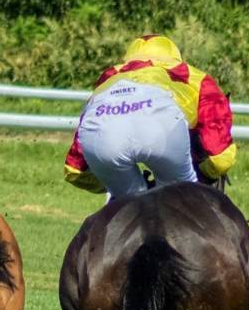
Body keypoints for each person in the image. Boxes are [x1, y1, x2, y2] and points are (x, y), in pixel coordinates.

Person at [64, 34, 237, 197]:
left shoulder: (109, 76)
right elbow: (220, 158)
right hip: (162, 125)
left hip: (104, 129)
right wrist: (205, 174)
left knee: (128, 202)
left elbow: (74, 171)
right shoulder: (195, 76)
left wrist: (115, 182)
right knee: (184, 197)